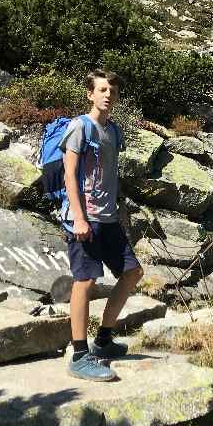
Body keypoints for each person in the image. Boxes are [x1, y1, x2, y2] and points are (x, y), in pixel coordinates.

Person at [61, 69, 144, 381]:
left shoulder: (114, 131)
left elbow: (109, 175)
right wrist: (79, 217)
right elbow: (70, 174)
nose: (108, 94)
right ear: (90, 94)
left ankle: (103, 341)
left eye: (112, 90)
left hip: (108, 218)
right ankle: (79, 355)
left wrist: (120, 209)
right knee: (85, 281)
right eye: (102, 89)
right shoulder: (80, 127)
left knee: (133, 272)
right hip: (83, 218)